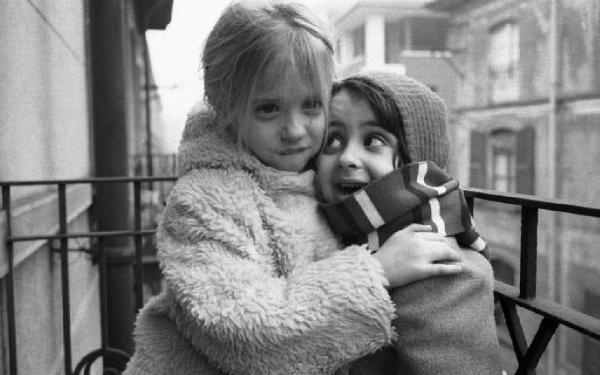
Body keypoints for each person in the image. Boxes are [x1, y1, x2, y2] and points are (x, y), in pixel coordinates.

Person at [123, 2, 465, 375]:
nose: (295, 129)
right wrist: (375, 273)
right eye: (269, 108)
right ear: (225, 107)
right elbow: (239, 331)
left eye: (312, 105)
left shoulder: (308, 179)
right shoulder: (204, 201)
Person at [317, 71, 503, 374]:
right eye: (332, 139)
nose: (347, 157)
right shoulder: (334, 233)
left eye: (373, 140)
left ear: (416, 159)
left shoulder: (440, 268)